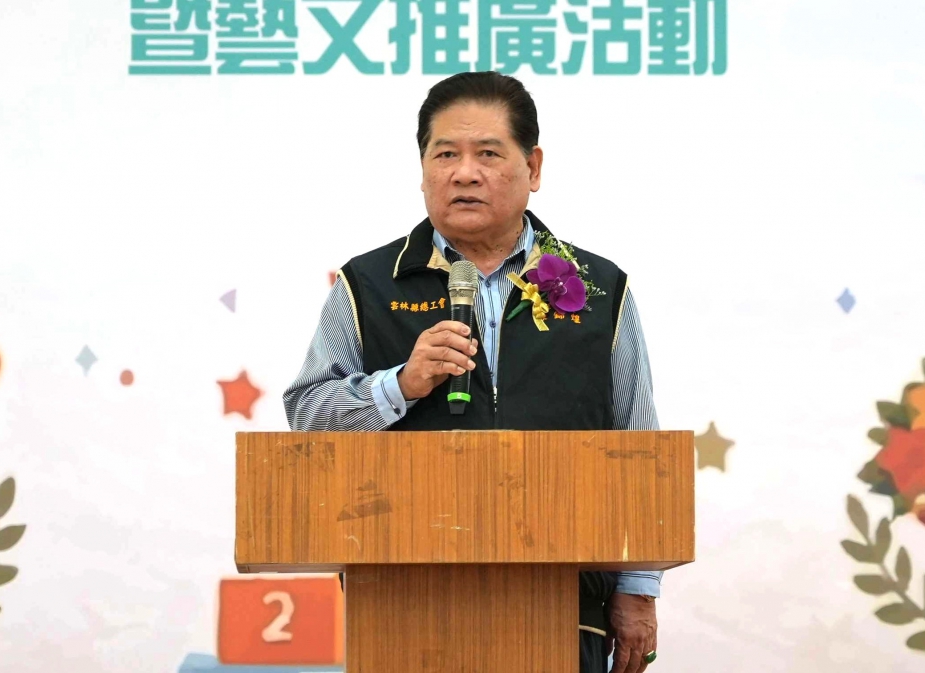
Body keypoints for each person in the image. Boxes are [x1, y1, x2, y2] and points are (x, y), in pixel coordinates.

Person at [283, 71, 663, 673]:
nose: (464, 173)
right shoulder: (367, 285)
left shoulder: (599, 289)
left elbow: (636, 446)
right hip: (403, 608)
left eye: (487, 153)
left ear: (533, 168)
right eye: (445, 155)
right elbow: (308, 417)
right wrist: (398, 385)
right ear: (423, 170)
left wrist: (637, 589)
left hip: (563, 605)